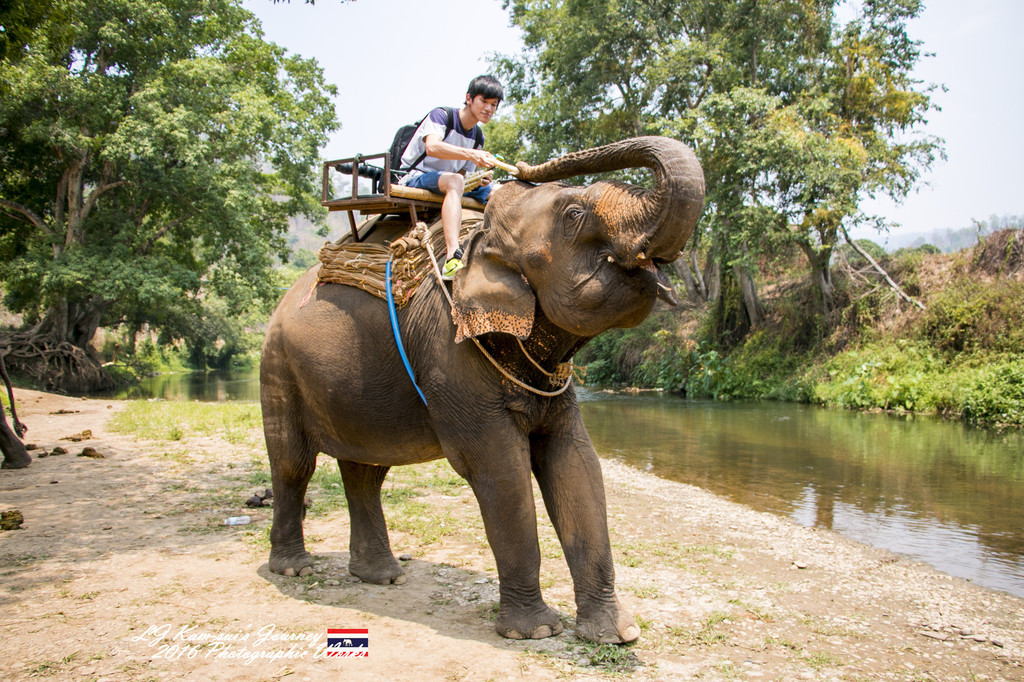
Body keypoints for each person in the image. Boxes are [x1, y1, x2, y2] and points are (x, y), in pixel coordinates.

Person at [399, 75, 503, 279]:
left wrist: (478, 180)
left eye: (494, 104)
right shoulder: (442, 116)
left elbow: (463, 174)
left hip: (448, 182)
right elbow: (432, 147)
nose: (489, 109)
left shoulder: (478, 136)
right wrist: (471, 155)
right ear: (469, 98)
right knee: (455, 180)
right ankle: (452, 258)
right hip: (416, 177)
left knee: (501, 191)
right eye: (484, 101)